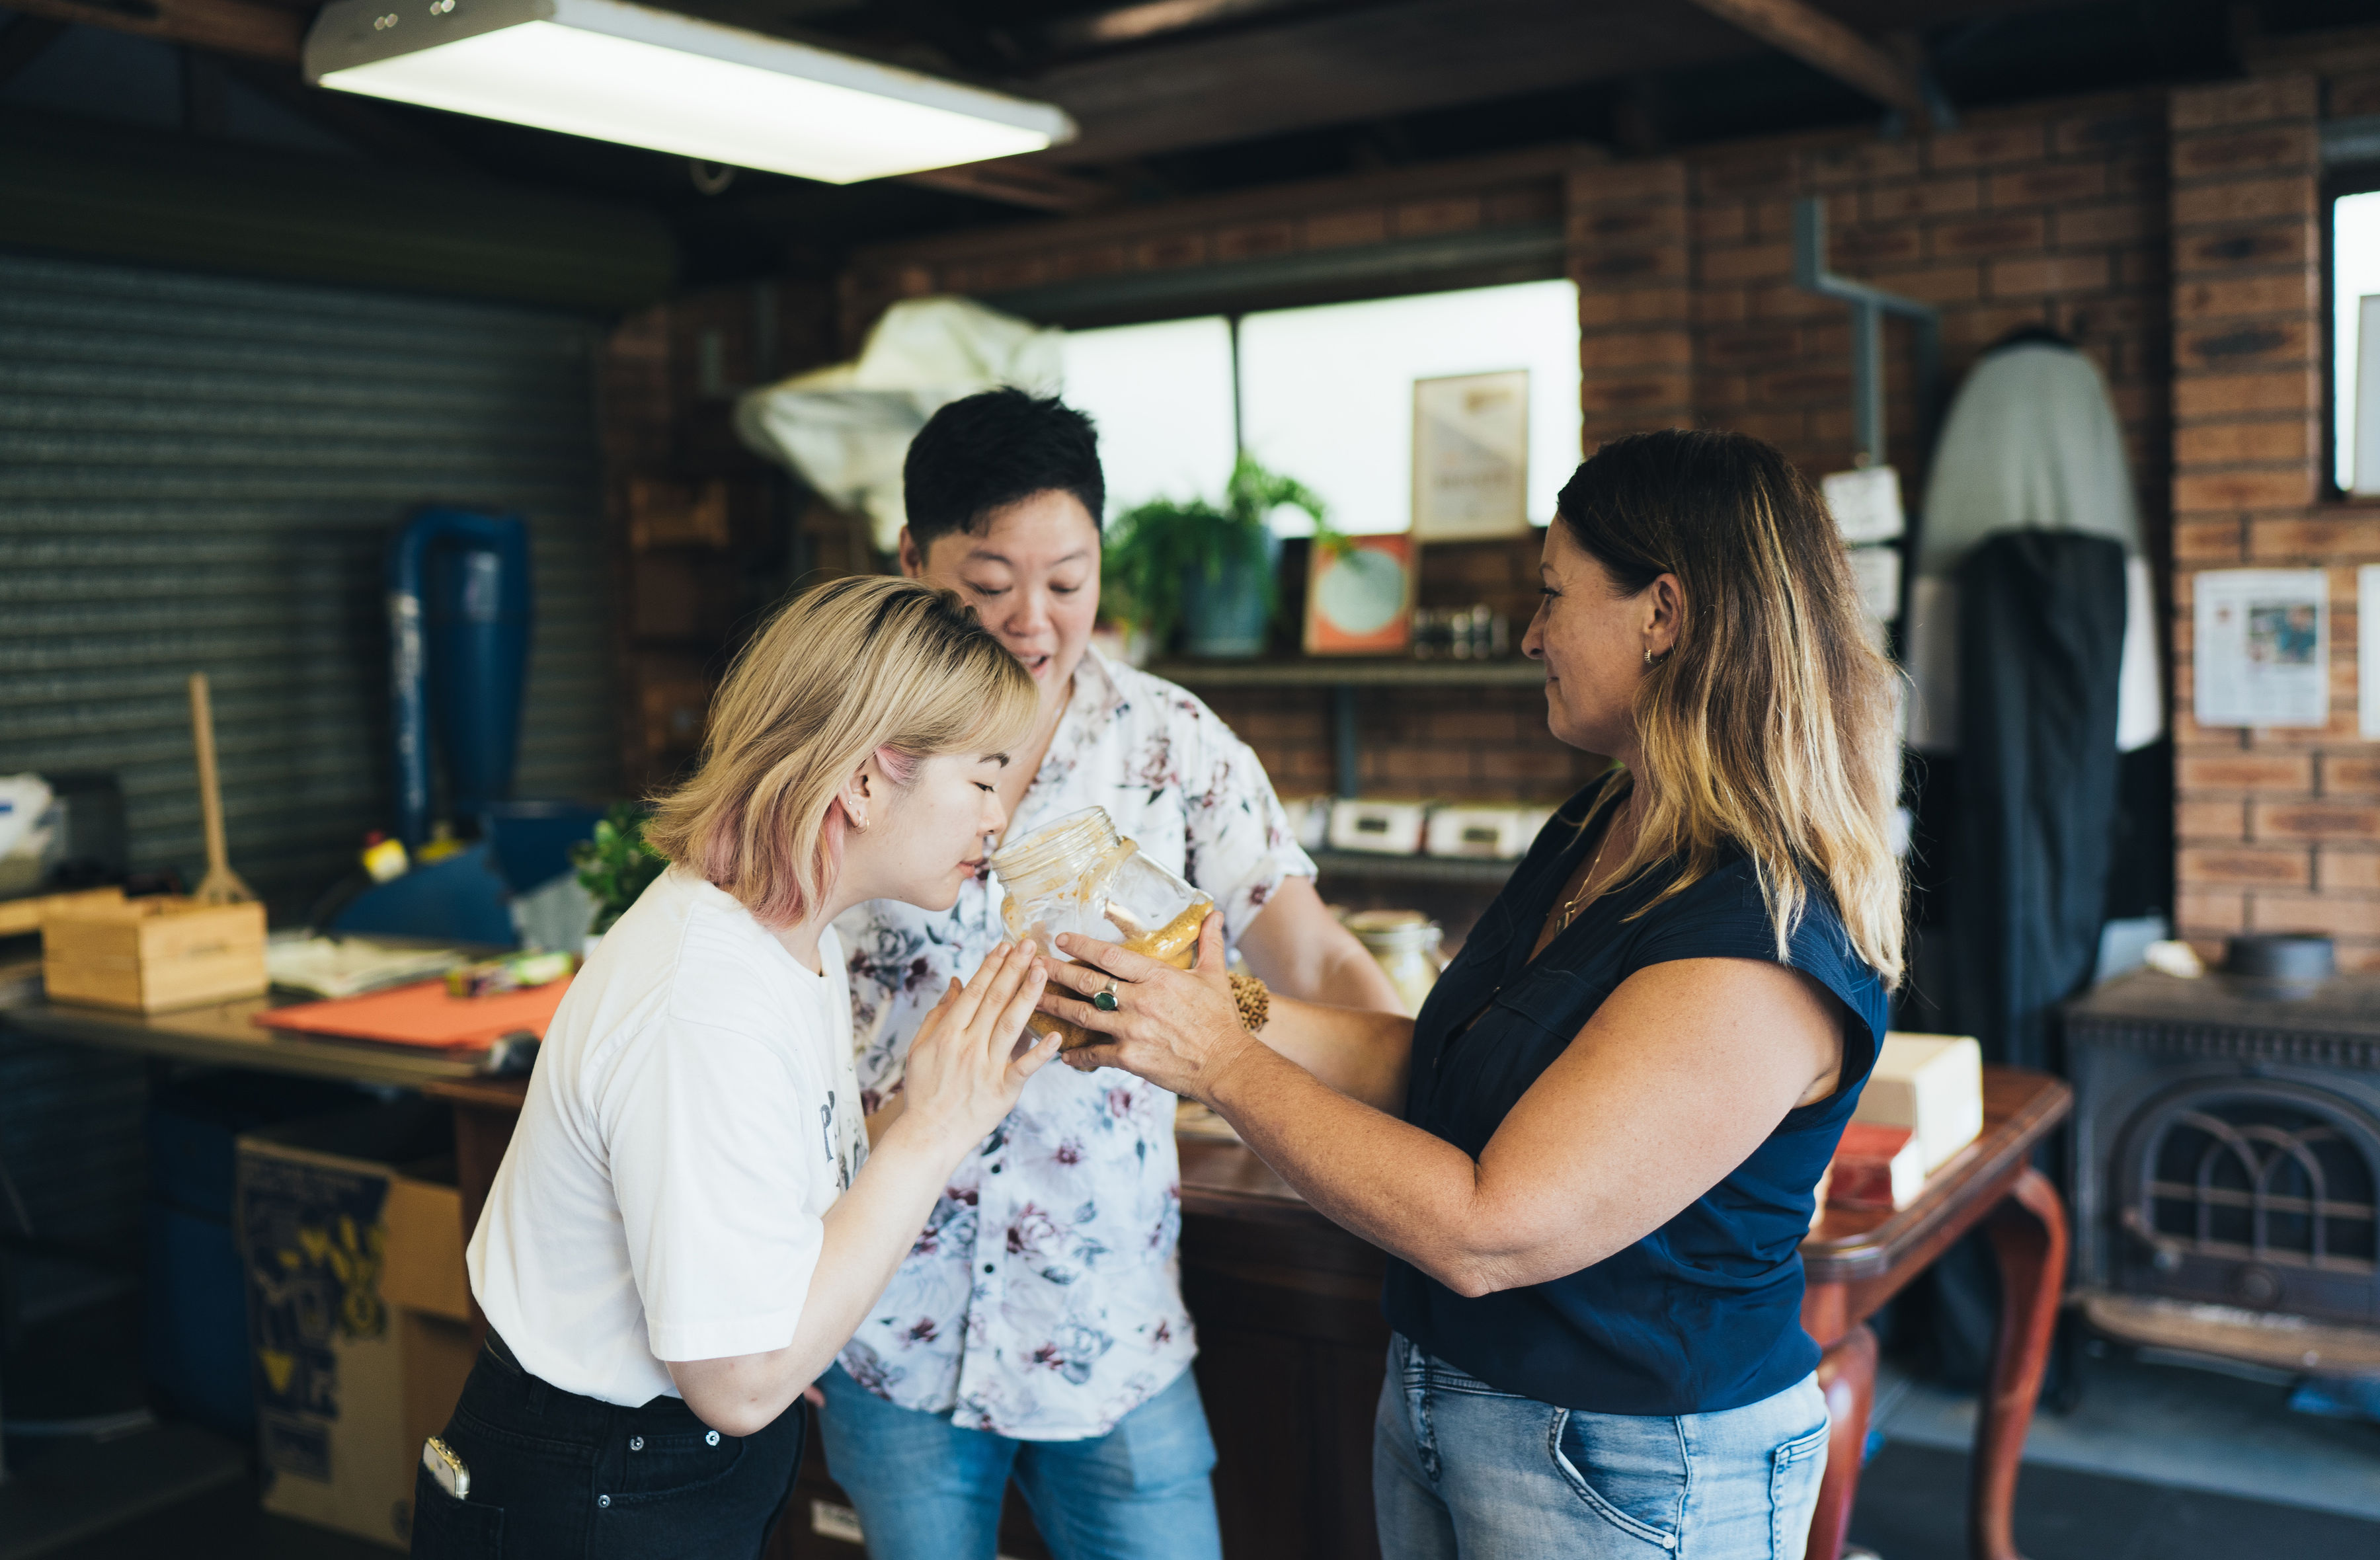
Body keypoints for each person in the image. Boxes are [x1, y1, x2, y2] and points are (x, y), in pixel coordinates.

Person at [1036, 429, 1903, 1559]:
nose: (1533, 633)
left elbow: (1488, 1228)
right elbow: (1442, 1068)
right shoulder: (1605, 823)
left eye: (1553, 595)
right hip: (1452, 1406)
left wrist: (1217, 1061)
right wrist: (1218, 1004)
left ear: (1665, 614)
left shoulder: (1757, 936)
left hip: (1634, 1467)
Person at [821, 389, 1404, 1560]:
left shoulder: (1171, 743)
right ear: (909, 558)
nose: (1031, 622)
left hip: (1109, 1322)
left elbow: (1317, 953)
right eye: (987, 585)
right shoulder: (837, 747)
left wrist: (1424, 1091)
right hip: (886, 1319)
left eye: (1068, 582)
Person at [416, 578, 1064, 1560]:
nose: (997, 820)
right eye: (981, 779)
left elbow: (771, 1225)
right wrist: (934, 1132)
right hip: (593, 1490)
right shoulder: (704, 1001)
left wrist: (939, 1092)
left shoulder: (793, 932)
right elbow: (742, 1381)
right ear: (863, 780)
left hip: (664, 1471)